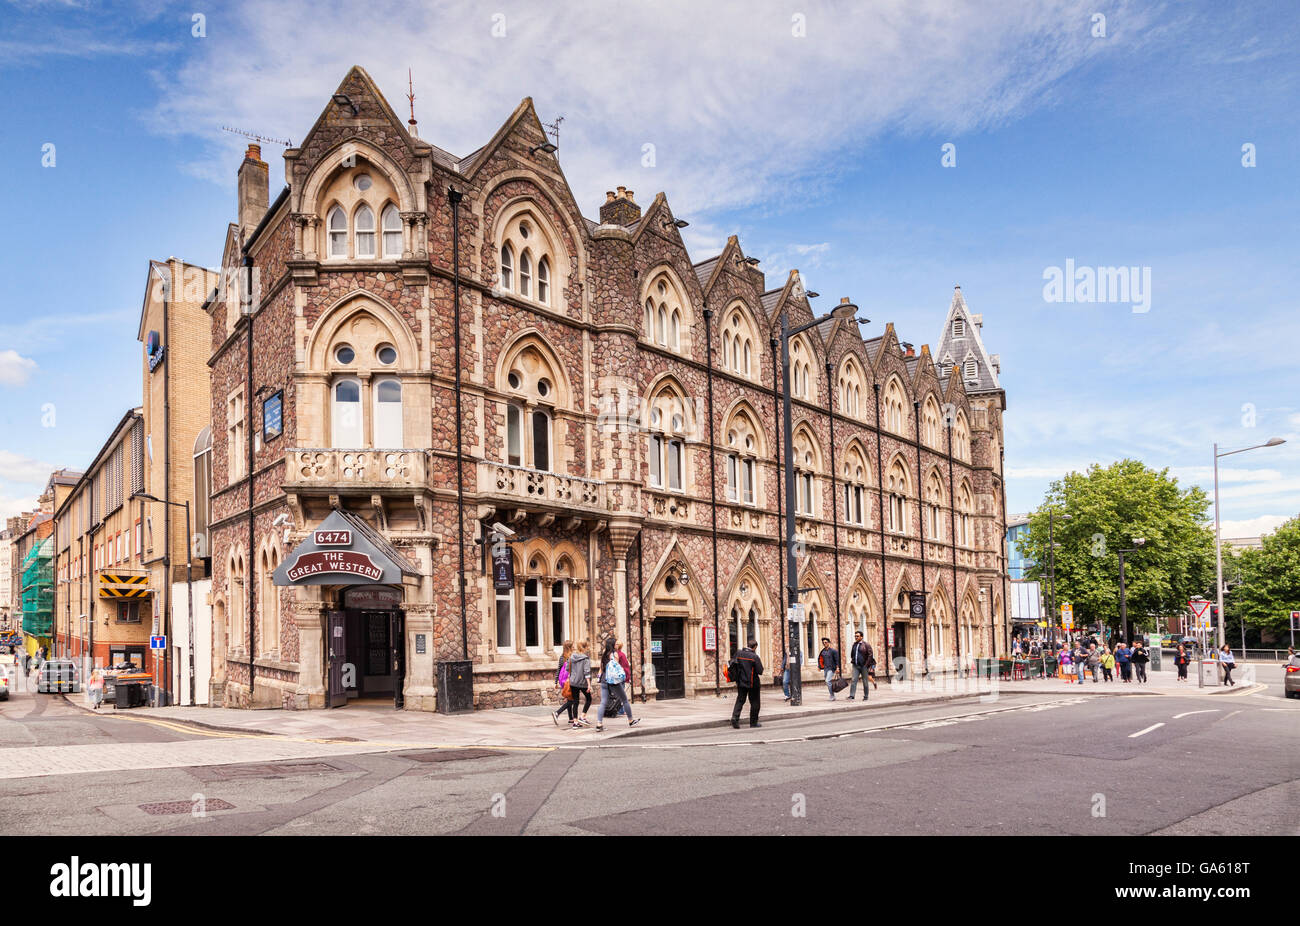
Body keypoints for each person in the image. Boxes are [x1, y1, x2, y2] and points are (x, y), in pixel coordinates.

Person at [594, 638, 639, 732]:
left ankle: (599, 723)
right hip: (613, 681)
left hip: (604, 680)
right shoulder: (615, 654)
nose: (616, 645)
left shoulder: (604, 655)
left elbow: (601, 669)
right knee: (624, 699)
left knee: (603, 702)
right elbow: (616, 668)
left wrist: (599, 677)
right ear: (613, 645)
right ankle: (630, 720)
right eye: (615, 643)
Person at [728, 638, 765, 728]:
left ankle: (735, 718)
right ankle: (753, 722)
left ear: (748, 645)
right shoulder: (754, 657)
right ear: (755, 647)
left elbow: (732, 664)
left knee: (740, 700)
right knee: (755, 703)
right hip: (752, 683)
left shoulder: (738, 653)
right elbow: (760, 671)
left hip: (741, 682)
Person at [566, 640, 593, 728]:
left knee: (575, 702)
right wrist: (589, 685)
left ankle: (575, 722)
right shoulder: (586, 659)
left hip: (573, 682)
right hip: (583, 683)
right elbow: (587, 672)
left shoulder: (572, 657)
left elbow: (567, 668)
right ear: (585, 647)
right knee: (588, 699)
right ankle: (582, 716)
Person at [552, 640, 574, 726]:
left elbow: (558, 670)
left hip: (563, 681)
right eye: (572, 646)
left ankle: (571, 719)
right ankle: (557, 713)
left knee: (569, 698)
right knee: (572, 700)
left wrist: (556, 682)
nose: (574, 647)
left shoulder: (562, 657)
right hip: (569, 680)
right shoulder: (571, 657)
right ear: (569, 647)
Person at [848, 631, 874, 701]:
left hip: (864, 666)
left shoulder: (866, 644)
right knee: (853, 680)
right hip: (855, 665)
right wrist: (853, 660)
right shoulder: (854, 644)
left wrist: (866, 664)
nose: (856, 637)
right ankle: (852, 695)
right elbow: (852, 654)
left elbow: (870, 655)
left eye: (857, 636)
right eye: (855, 636)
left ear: (861, 637)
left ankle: (866, 696)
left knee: (865, 681)